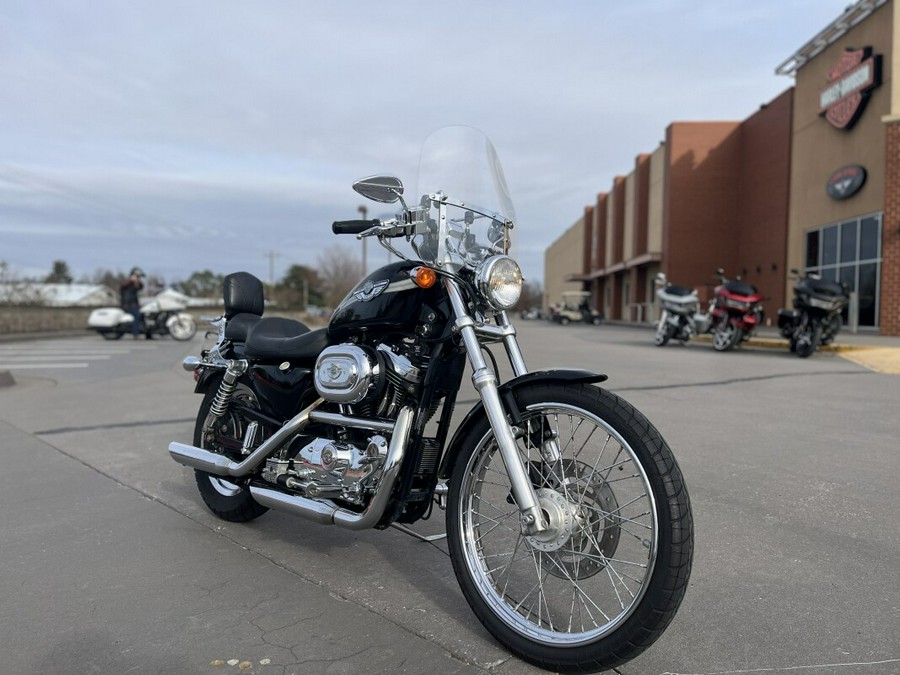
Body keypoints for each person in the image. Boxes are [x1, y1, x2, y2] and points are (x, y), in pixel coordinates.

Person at [120, 267, 145, 340]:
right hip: (128, 305)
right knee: (137, 316)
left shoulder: (135, 285)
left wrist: (137, 282)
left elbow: (141, 287)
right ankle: (135, 334)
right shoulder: (127, 284)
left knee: (144, 314)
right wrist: (131, 281)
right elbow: (123, 286)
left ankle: (147, 332)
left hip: (134, 305)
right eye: (137, 276)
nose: (138, 278)